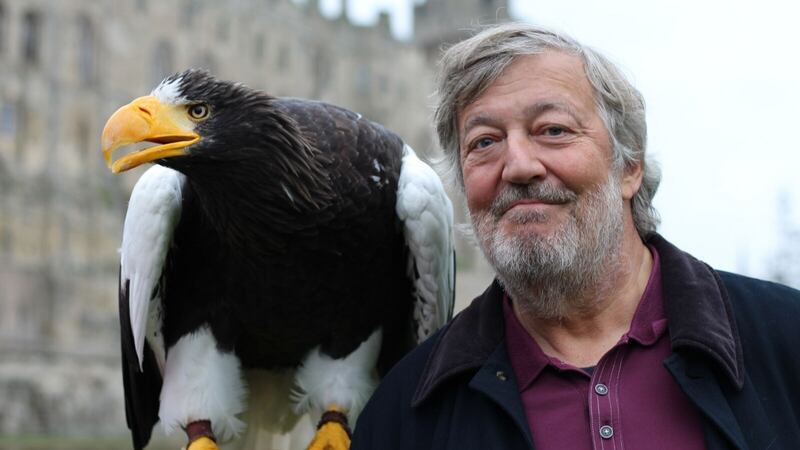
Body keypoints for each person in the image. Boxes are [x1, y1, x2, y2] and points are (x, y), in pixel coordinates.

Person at [350, 22, 800, 449]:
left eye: (553, 131)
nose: (519, 165)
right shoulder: (401, 418)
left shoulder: (784, 342)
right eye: (485, 142)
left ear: (629, 167)